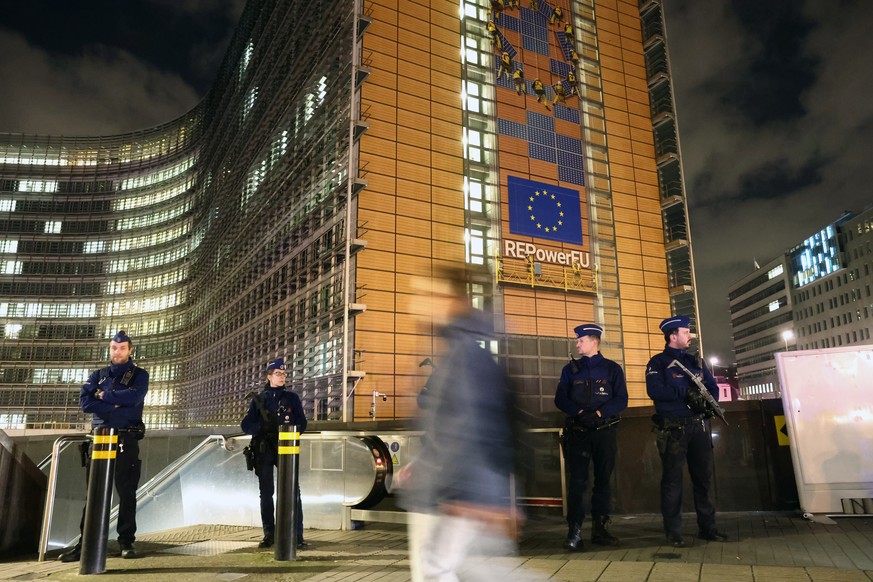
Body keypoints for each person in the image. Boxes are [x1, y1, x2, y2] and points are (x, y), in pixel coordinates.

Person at [398, 264, 528, 582]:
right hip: (461, 491)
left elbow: (478, 426)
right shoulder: (455, 352)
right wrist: (422, 463)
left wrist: (480, 498)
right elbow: (449, 427)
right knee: (465, 570)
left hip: (466, 496)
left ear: (452, 301)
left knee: (440, 569)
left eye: (427, 294)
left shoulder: (466, 357)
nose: (416, 303)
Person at [58, 330, 149, 562]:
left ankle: (126, 542)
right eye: (113, 348)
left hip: (125, 440)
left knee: (126, 493)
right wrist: (114, 402)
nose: (116, 351)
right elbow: (86, 403)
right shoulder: (98, 374)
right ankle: (85, 544)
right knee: (94, 495)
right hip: (99, 439)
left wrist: (104, 396)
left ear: (130, 350)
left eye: (121, 348)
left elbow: (134, 398)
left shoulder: (140, 375)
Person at [646, 316, 729, 547]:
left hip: (699, 427)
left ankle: (708, 528)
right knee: (672, 482)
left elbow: (712, 389)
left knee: (703, 480)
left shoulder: (696, 362)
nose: (689, 335)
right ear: (673, 336)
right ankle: (673, 532)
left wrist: (703, 402)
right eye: (685, 332)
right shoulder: (658, 363)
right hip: (674, 428)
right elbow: (656, 391)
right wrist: (686, 393)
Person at [554, 324, 627, 551]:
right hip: (579, 433)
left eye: (580, 340)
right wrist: (579, 413)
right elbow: (560, 399)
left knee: (603, 482)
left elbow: (621, 399)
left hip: (604, 431)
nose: (577, 343)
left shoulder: (612, 369)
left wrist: (598, 413)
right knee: (577, 483)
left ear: (593, 341)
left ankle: (600, 529)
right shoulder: (570, 370)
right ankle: (574, 532)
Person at [241, 358, 308, 549]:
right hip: (264, 449)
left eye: (284, 374)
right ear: (269, 376)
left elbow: (302, 423)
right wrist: (261, 427)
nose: (282, 377)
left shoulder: (291, 398)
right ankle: (269, 534)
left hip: (286, 448)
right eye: (278, 374)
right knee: (266, 493)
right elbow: (245, 425)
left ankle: (297, 535)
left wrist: (289, 433)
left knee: (293, 491)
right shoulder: (259, 399)